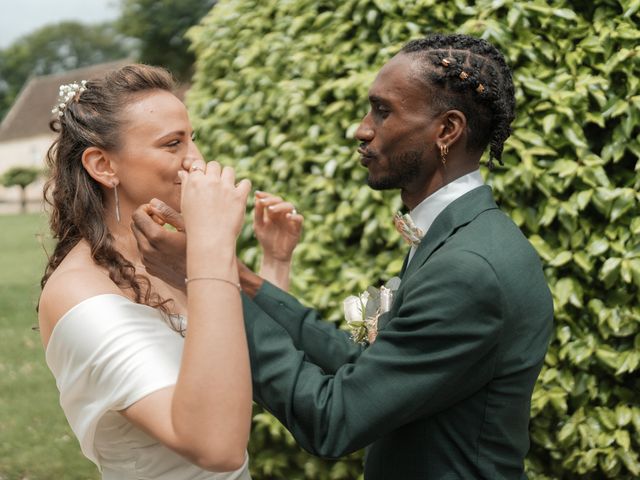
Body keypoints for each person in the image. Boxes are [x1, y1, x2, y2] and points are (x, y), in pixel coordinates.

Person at [133, 34, 554, 479]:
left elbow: (332, 419)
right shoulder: (461, 234)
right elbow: (363, 367)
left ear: (446, 130)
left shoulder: (470, 269)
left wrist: (201, 271)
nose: (362, 128)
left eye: (383, 110)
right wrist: (240, 277)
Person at [38, 64, 299, 479]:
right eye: (172, 143)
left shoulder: (165, 257)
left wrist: (274, 262)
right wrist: (213, 245)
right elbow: (216, 447)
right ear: (103, 165)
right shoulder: (81, 298)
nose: (196, 161)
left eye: (192, 140)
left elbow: (245, 371)